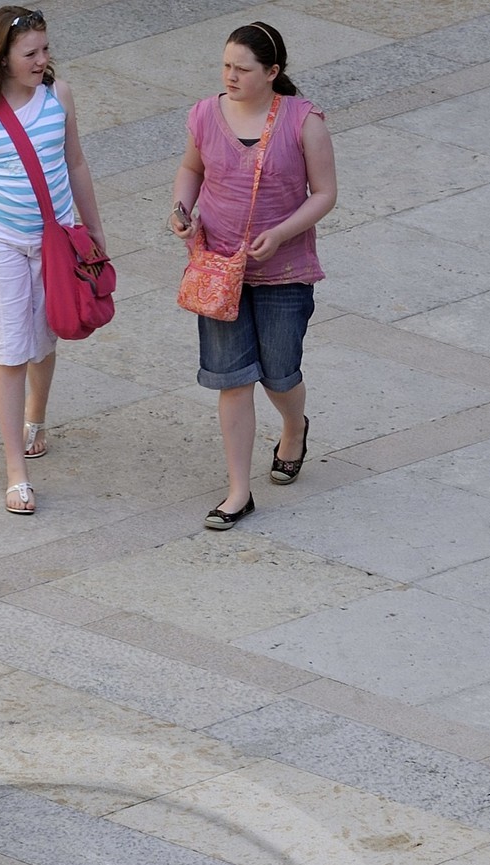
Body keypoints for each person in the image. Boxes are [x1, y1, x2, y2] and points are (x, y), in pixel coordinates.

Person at [170, 22, 336, 530]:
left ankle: (293, 425)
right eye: (226, 66)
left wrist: (283, 233)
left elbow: (325, 193)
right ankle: (238, 492)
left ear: (273, 73)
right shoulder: (204, 113)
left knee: (280, 374)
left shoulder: (304, 121)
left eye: (243, 69)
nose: (231, 77)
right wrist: (181, 207)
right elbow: (192, 170)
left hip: (285, 271)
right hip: (221, 269)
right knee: (233, 381)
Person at [0, 7, 106, 515]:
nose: (42, 60)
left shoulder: (59, 98)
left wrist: (94, 228)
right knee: (10, 346)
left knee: (46, 332)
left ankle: (37, 410)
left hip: (56, 240)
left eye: (45, 50)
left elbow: (75, 161)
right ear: (3, 57)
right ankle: (16, 468)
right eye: (30, 53)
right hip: (0, 241)